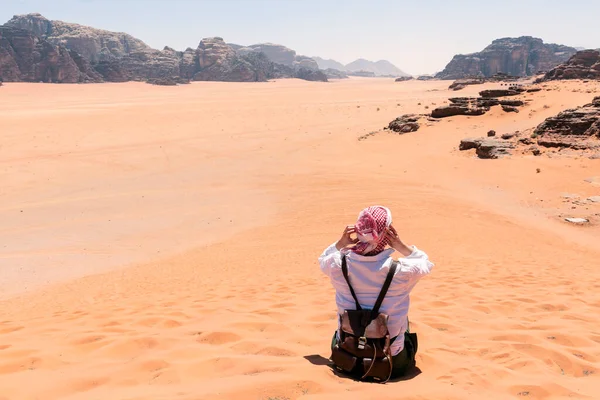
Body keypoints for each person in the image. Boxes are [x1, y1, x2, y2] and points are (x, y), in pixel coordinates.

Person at [318, 205, 434, 379]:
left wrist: (341, 243)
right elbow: (425, 263)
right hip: (390, 364)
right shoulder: (402, 271)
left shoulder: (337, 265)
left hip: (348, 357)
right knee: (403, 319)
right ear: (386, 234)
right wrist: (399, 245)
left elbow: (323, 259)